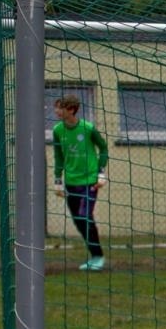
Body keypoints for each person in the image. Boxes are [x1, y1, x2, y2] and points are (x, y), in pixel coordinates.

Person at [51, 94, 109, 271]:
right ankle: (94, 256)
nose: (57, 111)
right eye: (56, 107)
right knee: (78, 220)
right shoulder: (58, 130)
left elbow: (104, 148)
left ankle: (98, 257)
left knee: (85, 216)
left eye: (60, 108)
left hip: (89, 181)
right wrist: (58, 180)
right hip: (71, 182)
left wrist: (101, 173)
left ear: (71, 110)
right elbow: (59, 156)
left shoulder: (88, 128)